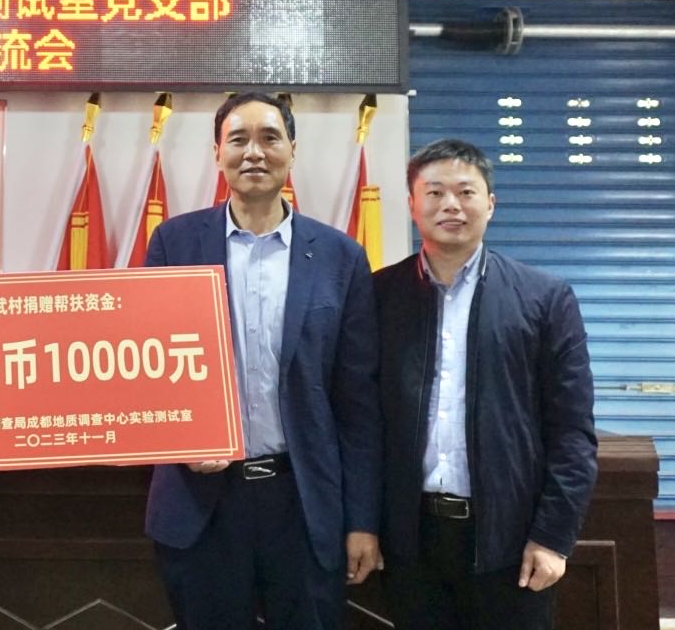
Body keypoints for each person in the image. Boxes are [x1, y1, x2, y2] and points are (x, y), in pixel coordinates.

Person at [140, 92, 382, 630]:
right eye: (238, 139)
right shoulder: (175, 243)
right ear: (217, 153)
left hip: (303, 501)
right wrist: (181, 441)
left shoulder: (340, 256)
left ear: (293, 150)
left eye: (270, 138)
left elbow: (359, 403)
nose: (254, 152)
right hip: (202, 503)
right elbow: (146, 373)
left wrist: (363, 521)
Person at [375, 138, 597, 630]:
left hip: (511, 542)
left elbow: (573, 433)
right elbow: (362, 421)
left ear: (490, 204)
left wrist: (553, 536)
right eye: (434, 192)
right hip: (409, 540)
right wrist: (364, 526)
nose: (450, 205)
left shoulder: (545, 299)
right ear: (412, 205)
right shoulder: (379, 295)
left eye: (465, 192)